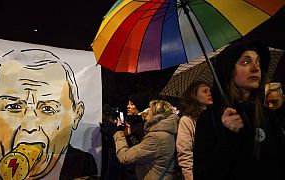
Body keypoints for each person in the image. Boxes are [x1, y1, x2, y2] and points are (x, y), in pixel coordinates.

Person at [0, 49, 97, 179]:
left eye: (48, 109)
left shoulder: (83, 167)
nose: (30, 127)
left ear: (76, 115)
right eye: (14, 107)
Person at [193, 40, 285, 180]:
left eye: (258, 62)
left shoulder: (267, 113)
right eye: (246, 62)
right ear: (229, 70)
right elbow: (203, 175)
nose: (256, 68)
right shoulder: (210, 118)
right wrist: (228, 138)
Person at [113, 99, 179, 179]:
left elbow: (125, 157)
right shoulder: (166, 133)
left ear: (156, 114)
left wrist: (119, 133)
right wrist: (130, 136)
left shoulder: (156, 137)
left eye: (150, 111)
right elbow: (144, 150)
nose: (147, 114)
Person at [176, 81, 213, 180]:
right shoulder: (187, 120)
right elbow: (185, 153)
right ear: (194, 96)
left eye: (210, 90)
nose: (210, 93)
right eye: (205, 91)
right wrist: (190, 177)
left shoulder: (216, 115)